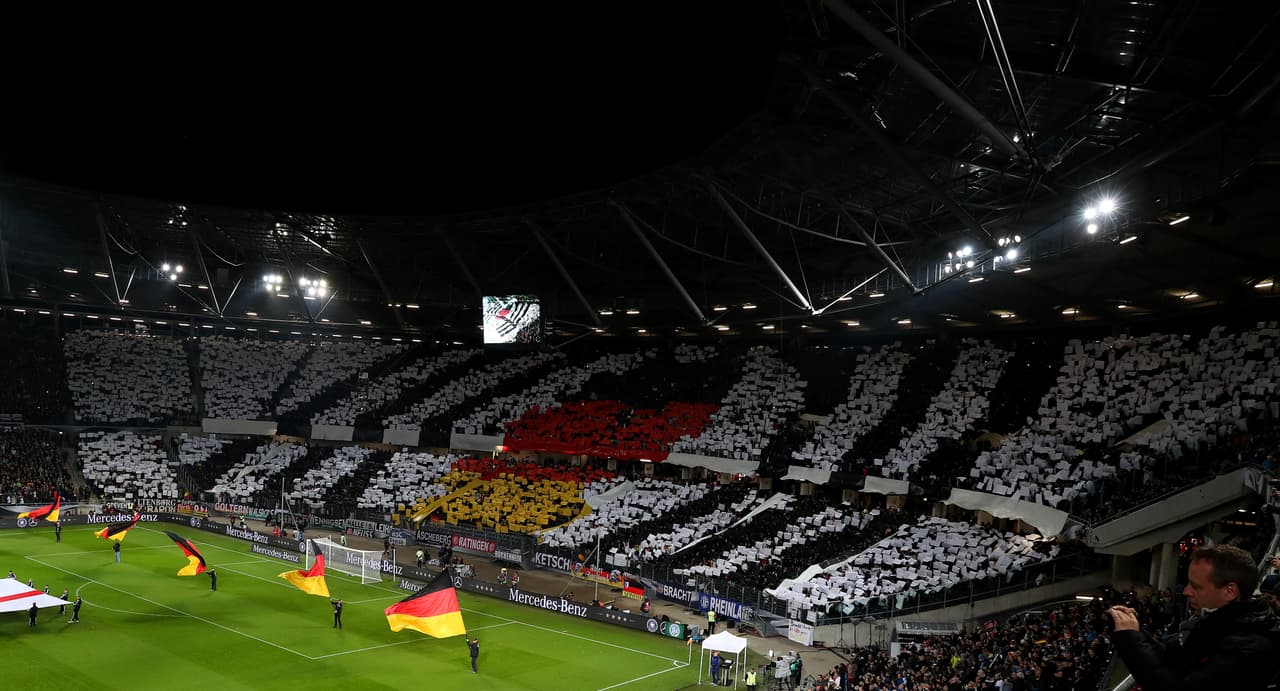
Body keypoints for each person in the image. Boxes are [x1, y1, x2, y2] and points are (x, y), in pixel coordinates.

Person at [1111, 544, 1276, 691]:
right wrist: (1136, 631)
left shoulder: (1248, 646)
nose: (1186, 592)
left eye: (1196, 586)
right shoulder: (1220, 622)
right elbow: (1177, 659)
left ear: (1229, 592)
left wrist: (1130, 640)